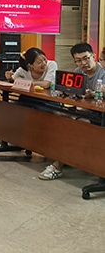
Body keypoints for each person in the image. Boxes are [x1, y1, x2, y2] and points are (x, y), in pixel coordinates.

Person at [39, 42, 105, 180]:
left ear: (94, 56)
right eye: (78, 60)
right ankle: (64, 156)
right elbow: (73, 93)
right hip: (82, 111)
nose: (83, 63)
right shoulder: (78, 72)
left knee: (77, 126)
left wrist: (93, 94)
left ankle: (58, 165)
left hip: (98, 116)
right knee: (56, 116)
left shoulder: (103, 71)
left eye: (86, 58)